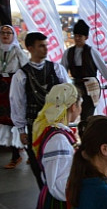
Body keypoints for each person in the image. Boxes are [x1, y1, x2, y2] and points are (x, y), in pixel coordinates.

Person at [10, 31, 71, 187]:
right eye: (41, 46)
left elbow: (70, 93)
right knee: (39, 166)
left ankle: (59, 198)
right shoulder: (21, 75)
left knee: (60, 163)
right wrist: (21, 130)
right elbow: (17, 103)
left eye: (46, 45)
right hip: (34, 126)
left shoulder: (57, 69)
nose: (45, 49)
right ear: (29, 48)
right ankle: (46, 198)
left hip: (57, 124)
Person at [61, 19, 107, 119]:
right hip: (76, 86)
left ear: (86, 37)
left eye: (80, 36)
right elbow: (62, 72)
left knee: (87, 115)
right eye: (76, 36)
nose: (77, 38)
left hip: (91, 87)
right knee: (73, 114)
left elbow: (104, 69)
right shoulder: (68, 52)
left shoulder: (92, 51)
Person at [0, 24, 29, 169]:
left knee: (20, 120)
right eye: (3, 33)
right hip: (3, 89)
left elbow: (26, 70)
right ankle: (15, 156)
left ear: (13, 35)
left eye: (9, 33)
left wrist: (24, 88)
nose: (5, 35)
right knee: (7, 122)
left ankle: (30, 153)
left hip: (17, 87)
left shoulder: (18, 52)